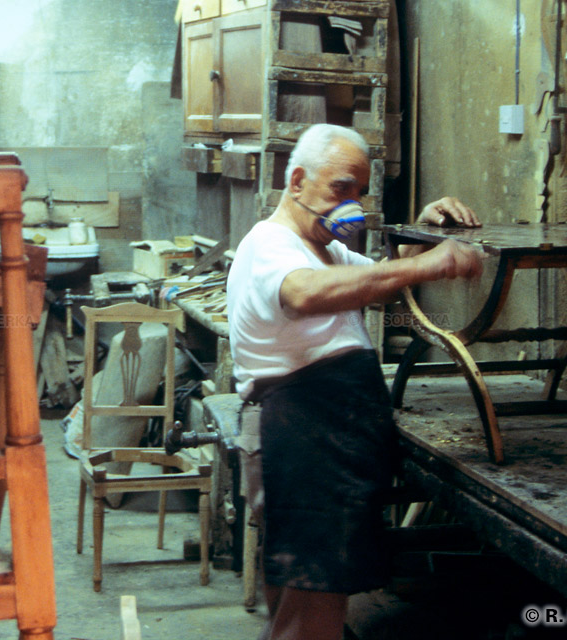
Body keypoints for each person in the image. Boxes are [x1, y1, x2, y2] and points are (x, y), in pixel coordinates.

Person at [225, 123, 483, 640]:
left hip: (324, 442)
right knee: (310, 617)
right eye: (341, 188)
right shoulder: (271, 243)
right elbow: (303, 294)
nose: (354, 204)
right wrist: (432, 264)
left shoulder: (327, 249)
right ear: (296, 181)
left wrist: (422, 236)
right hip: (302, 443)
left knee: (305, 609)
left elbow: (378, 284)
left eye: (360, 192)